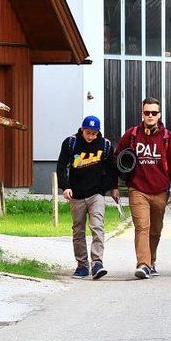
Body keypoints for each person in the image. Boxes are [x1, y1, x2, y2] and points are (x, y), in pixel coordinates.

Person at [116, 98, 171, 279]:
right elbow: (116, 158)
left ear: (159, 115)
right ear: (142, 114)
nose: (150, 116)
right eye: (147, 113)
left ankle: (151, 261)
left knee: (155, 230)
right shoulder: (131, 135)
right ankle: (143, 264)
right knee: (142, 227)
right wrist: (114, 185)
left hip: (160, 191)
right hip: (138, 189)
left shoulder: (168, 138)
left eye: (154, 113)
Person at [56, 115, 119, 279]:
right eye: (88, 132)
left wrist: (111, 188)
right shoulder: (71, 143)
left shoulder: (105, 145)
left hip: (96, 193)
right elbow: (61, 166)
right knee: (78, 230)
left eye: (94, 133)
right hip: (76, 194)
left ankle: (97, 263)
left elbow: (111, 169)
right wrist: (65, 187)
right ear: (82, 129)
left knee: (97, 226)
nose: (91, 136)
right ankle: (82, 265)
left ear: (98, 132)